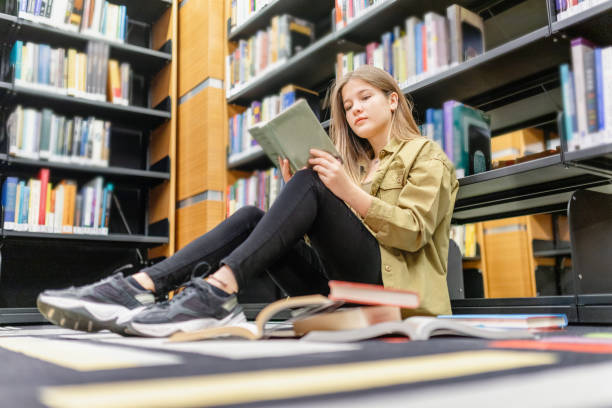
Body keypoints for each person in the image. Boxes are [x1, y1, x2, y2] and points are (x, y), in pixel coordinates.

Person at [37, 65, 458, 337]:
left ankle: (217, 294)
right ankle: (141, 287)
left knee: (314, 181)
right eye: (347, 107)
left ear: (393, 99)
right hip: (342, 288)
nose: (355, 111)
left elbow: (413, 233)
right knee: (252, 215)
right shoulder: (362, 169)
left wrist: (342, 191)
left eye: (365, 98)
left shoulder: (427, 156)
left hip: (396, 293)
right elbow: (335, 247)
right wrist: (301, 198)